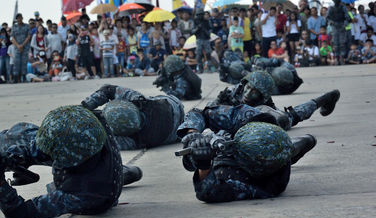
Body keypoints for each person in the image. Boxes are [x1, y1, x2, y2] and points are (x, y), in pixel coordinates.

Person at [0, 105, 142, 218]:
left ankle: (120, 174)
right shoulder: (91, 124)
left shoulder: (84, 194)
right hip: (92, 163)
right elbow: (44, 146)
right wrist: (12, 158)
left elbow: (19, 214)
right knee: (9, 137)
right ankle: (122, 173)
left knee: (5, 139)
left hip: (94, 190)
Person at [177, 119, 317, 203]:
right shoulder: (249, 136)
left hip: (269, 157)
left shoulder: (265, 186)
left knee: (293, 148)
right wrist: (193, 133)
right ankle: (308, 140)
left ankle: (308, 140)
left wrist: (204, 167)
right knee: (290, 145)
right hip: (268, 141)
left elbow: (208, 193)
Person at [214, 71, 340, 131]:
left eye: (254, 92)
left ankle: (325, 98)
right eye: (248, 88)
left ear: (261, 97)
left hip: (256, 120)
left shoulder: (264, 104)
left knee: (290, 117)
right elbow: (209, 112)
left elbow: (282, 119)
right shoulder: (229, 93)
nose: (248, 94)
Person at [81, 84, 184, 150]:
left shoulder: (133, 141)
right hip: (174, 108)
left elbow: (99, 141)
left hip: (175, 116)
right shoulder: (139, 101)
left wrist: (84, 107)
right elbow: (109, 90)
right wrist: (86, 106)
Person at [327, 0, 352, 65]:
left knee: (342, 43)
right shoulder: (331, 8)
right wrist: (331, 22)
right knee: (335, 43)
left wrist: (345, 24)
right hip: (334, 26)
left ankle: (342, 58)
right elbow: (327, 17)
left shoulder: (343, 8)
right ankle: (337, 58)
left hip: (342, 25)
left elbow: (347, 17)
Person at [11, 13, 32, 83]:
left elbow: (29, 36)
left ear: (22, 18)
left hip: (25, 47)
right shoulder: (14, 27)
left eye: (20, 18)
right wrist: (18, 45)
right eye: (17, 18)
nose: (19, 19)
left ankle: (24, 77)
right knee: (16, 63)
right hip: (17, 48)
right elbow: (12, 37)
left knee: (24, 63)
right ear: (16, 19)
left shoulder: (27, 26)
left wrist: (22, 45)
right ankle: (15, 78)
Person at [192, 8, 212, 73]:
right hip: (199, 39)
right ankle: (200, 68)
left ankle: (209, 67)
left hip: (206, 39)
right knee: (199, 54)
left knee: (208, 53)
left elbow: (210, 29)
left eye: (201, 14)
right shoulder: (195, 21)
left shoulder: (206, 21)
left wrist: (207, 32)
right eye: (199, 15)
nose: (200, 16)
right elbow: (192, 31)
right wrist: (198, 28)